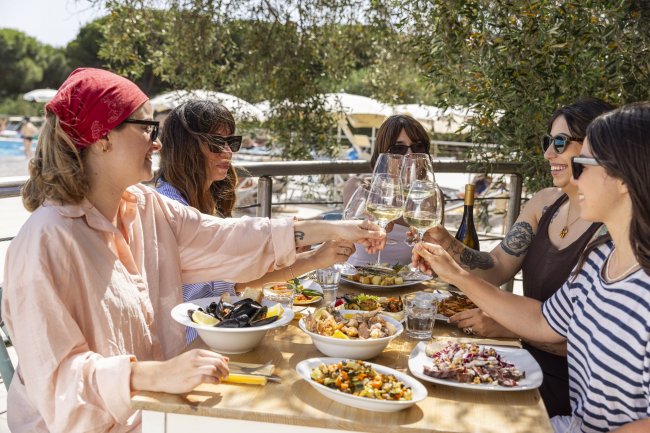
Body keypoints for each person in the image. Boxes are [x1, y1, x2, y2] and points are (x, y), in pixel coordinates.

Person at [1, 68, 385, 433]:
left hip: (158, 412)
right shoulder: (44, 243)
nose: (157, 142)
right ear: (102, 137)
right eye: (147, 128)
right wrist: (153, 374)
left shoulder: (148, 208)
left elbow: (227, 239)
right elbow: (59, 379)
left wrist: (334, 228)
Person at [413, 102, 650, 432]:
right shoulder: (598, 260)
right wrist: (454, 271)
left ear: (623, 177)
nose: (575, 174)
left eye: (584, 163)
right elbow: (541, 319)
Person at [156, 100, 356, 341]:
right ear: (185, 146)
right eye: (217, 142)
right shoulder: (169, 209)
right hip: (188, 343)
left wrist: (315, 258)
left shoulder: (206, 203)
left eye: (231, 142)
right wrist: (315, 236)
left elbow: (234, 283)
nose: (228, 151)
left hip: (217, 334)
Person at [343, 114, 432, 267]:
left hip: (406, 280)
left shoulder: (430, 197)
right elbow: (350, 231)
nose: (410, 155)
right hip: (354, 277)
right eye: (399, 148)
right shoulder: (359, 187)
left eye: (418, 146)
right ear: (382, 152)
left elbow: (434, 262)